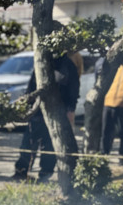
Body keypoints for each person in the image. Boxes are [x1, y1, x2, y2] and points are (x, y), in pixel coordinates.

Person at [13, 53, 80, 182]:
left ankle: (45, 174)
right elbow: (31, 87)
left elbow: (73, 91)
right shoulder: (42, 64)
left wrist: (70, 109)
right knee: (28, 142)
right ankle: (22, 171)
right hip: (37, 112)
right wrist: (26, 104)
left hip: (57, 113)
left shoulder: (68, 66)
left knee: (49, 147)